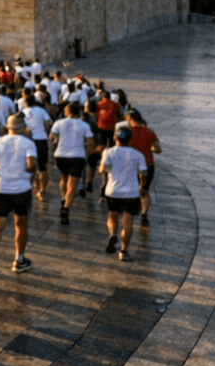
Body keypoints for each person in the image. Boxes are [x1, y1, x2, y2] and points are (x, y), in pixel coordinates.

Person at [0, 115, 38, 276]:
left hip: (0, 187)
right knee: (20, 225)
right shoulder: (28, 143)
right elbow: (31, 165)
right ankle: (19, 260)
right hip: (21, 189)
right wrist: (29, 171)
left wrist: (1, 168)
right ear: (22, 128)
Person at [100, 126, 148, 261]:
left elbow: (103, 168)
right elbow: (143, 173)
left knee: (112, 217)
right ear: (130, 139)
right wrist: (142, 187)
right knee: (128, 223)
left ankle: (113, 234)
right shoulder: (138, 154)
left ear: (115, 138)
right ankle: (123, 250)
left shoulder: (108, 152)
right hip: (131, 193)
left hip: (113, 191)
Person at [49, 101, 96, 226]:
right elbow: (91, 142)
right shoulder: (84, 125)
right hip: (77, 156)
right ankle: (66, 208)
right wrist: (86, 151)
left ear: (67, 112)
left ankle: (63, 199)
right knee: (73, 184)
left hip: (60, 155)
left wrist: (58, 140)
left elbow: (52, 137)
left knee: (63, 178)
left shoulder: (58, 123)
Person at [126, 109, 162, 226]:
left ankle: (129, 211)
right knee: (145, 192)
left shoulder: (127, 132)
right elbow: (158, 149)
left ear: (130, 119)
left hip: (132, 165)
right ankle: (144, 215)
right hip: (148, 165)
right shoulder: (150, 132)